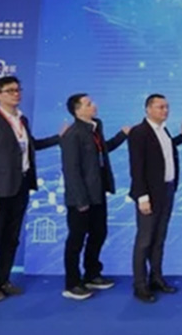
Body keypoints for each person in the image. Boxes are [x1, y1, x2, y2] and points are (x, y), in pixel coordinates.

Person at [0, 76, 65, 302]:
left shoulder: (22, 120)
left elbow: (31, 145)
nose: (16, 94)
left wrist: (59, 138)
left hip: (21, 185)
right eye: (10, 90)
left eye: (17, 89)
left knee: (11, 238)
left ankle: (3, 280)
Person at [60, 93, 129, 300]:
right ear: (77, 110)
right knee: (76, 239)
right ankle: (72, 283)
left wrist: (122, 135)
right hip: (80, 198)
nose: (94, 105)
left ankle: (92, 274)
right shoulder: (73, 134)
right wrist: (81, 200)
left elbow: (103, 151)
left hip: (98, 193)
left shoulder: (95, 129)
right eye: (88, 104)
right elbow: (71, 170)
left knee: (98, 233)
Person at [128, 94, 182, 303]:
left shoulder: (163, 130)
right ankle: (140, 285)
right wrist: (142, 197)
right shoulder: (139, 132)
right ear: (148, 109)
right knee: (144, 240)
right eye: (160, 107)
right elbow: (137, 167)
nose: (165, 110)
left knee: (159, 238)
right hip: (149, 194)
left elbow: (164, 150)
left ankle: (156, 278)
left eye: (166, 107)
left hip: (167, 190)